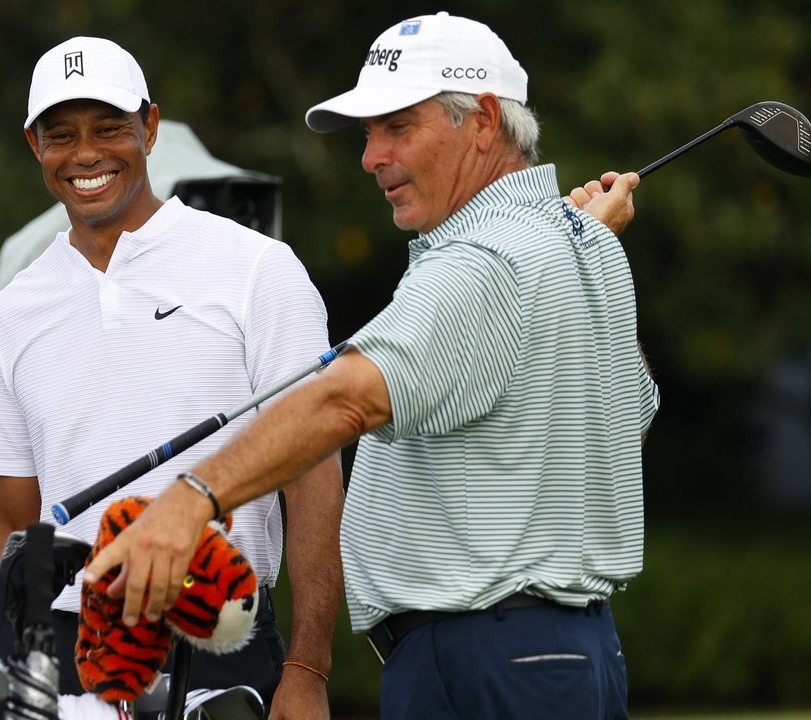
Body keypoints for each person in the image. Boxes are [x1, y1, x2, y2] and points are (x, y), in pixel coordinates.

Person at [84, 12, 659, 720]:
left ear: (482, 120)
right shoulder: (586, 249)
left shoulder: (487, 262)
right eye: (368, 134)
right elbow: (622, 428)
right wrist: (579, 248)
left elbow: (344, 402)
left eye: (398, 127)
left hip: (482, 660)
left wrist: (191, 500)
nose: (370, 157)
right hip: (568, 656)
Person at [0, 36, 343, 718]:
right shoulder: (11, 312)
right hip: (61, 651)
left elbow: (314, 478)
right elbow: (13, 518)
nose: (86, 154)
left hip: (219, 630)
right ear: (34, 145)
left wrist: (308, 668)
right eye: (62, 135)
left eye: (109, 128)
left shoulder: (257, 269)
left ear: (149, 127)